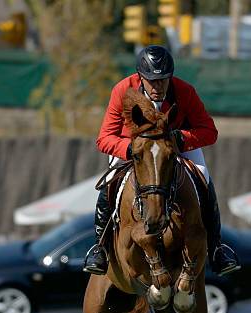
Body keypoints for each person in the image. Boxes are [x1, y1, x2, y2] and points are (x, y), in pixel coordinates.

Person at [83, 45, 240, 277]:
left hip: (174, 145)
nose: (158, 87)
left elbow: (209, 131)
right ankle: (100, 247)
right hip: (133, 147)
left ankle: (217, 247)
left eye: (163, 80)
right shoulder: (123, 90)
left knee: (203, 176)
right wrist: (131, 149)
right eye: (152, 81)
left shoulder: (185, 91)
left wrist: (180, 138)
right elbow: (104, 138)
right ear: (140, 77)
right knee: (110, 182)